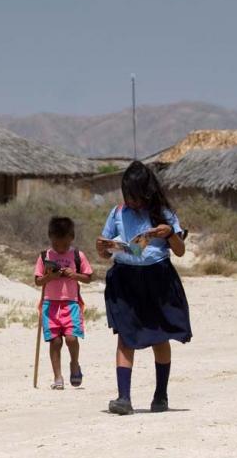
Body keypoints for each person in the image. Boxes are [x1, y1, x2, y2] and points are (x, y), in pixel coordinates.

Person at [96, 161, 192, 415]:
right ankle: (123, 398)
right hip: (125, 280)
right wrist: (103, 249)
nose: (131, 201)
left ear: (146, 192)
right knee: (126, 336)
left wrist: (170, 234)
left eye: (135, 196)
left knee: (159, 337)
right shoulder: (117, 213)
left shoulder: (164, 214)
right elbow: (105, 253)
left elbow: (180, 251)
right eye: (127, 195)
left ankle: (160, 396)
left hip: (158, 280)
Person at [35, 216, 93, 390]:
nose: (60, 249)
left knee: (71, 338)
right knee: (55, 341)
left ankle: (74, 363)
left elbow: (89, 277)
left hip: (71, 303)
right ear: (50, 238)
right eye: (56, 244)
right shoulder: (45, 256)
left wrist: (74, 275)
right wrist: (49, 277)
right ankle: (57, 377)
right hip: (49, 304)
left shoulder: (77, 255)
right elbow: (38, 281)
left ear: (71, 238)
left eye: (64, 245)